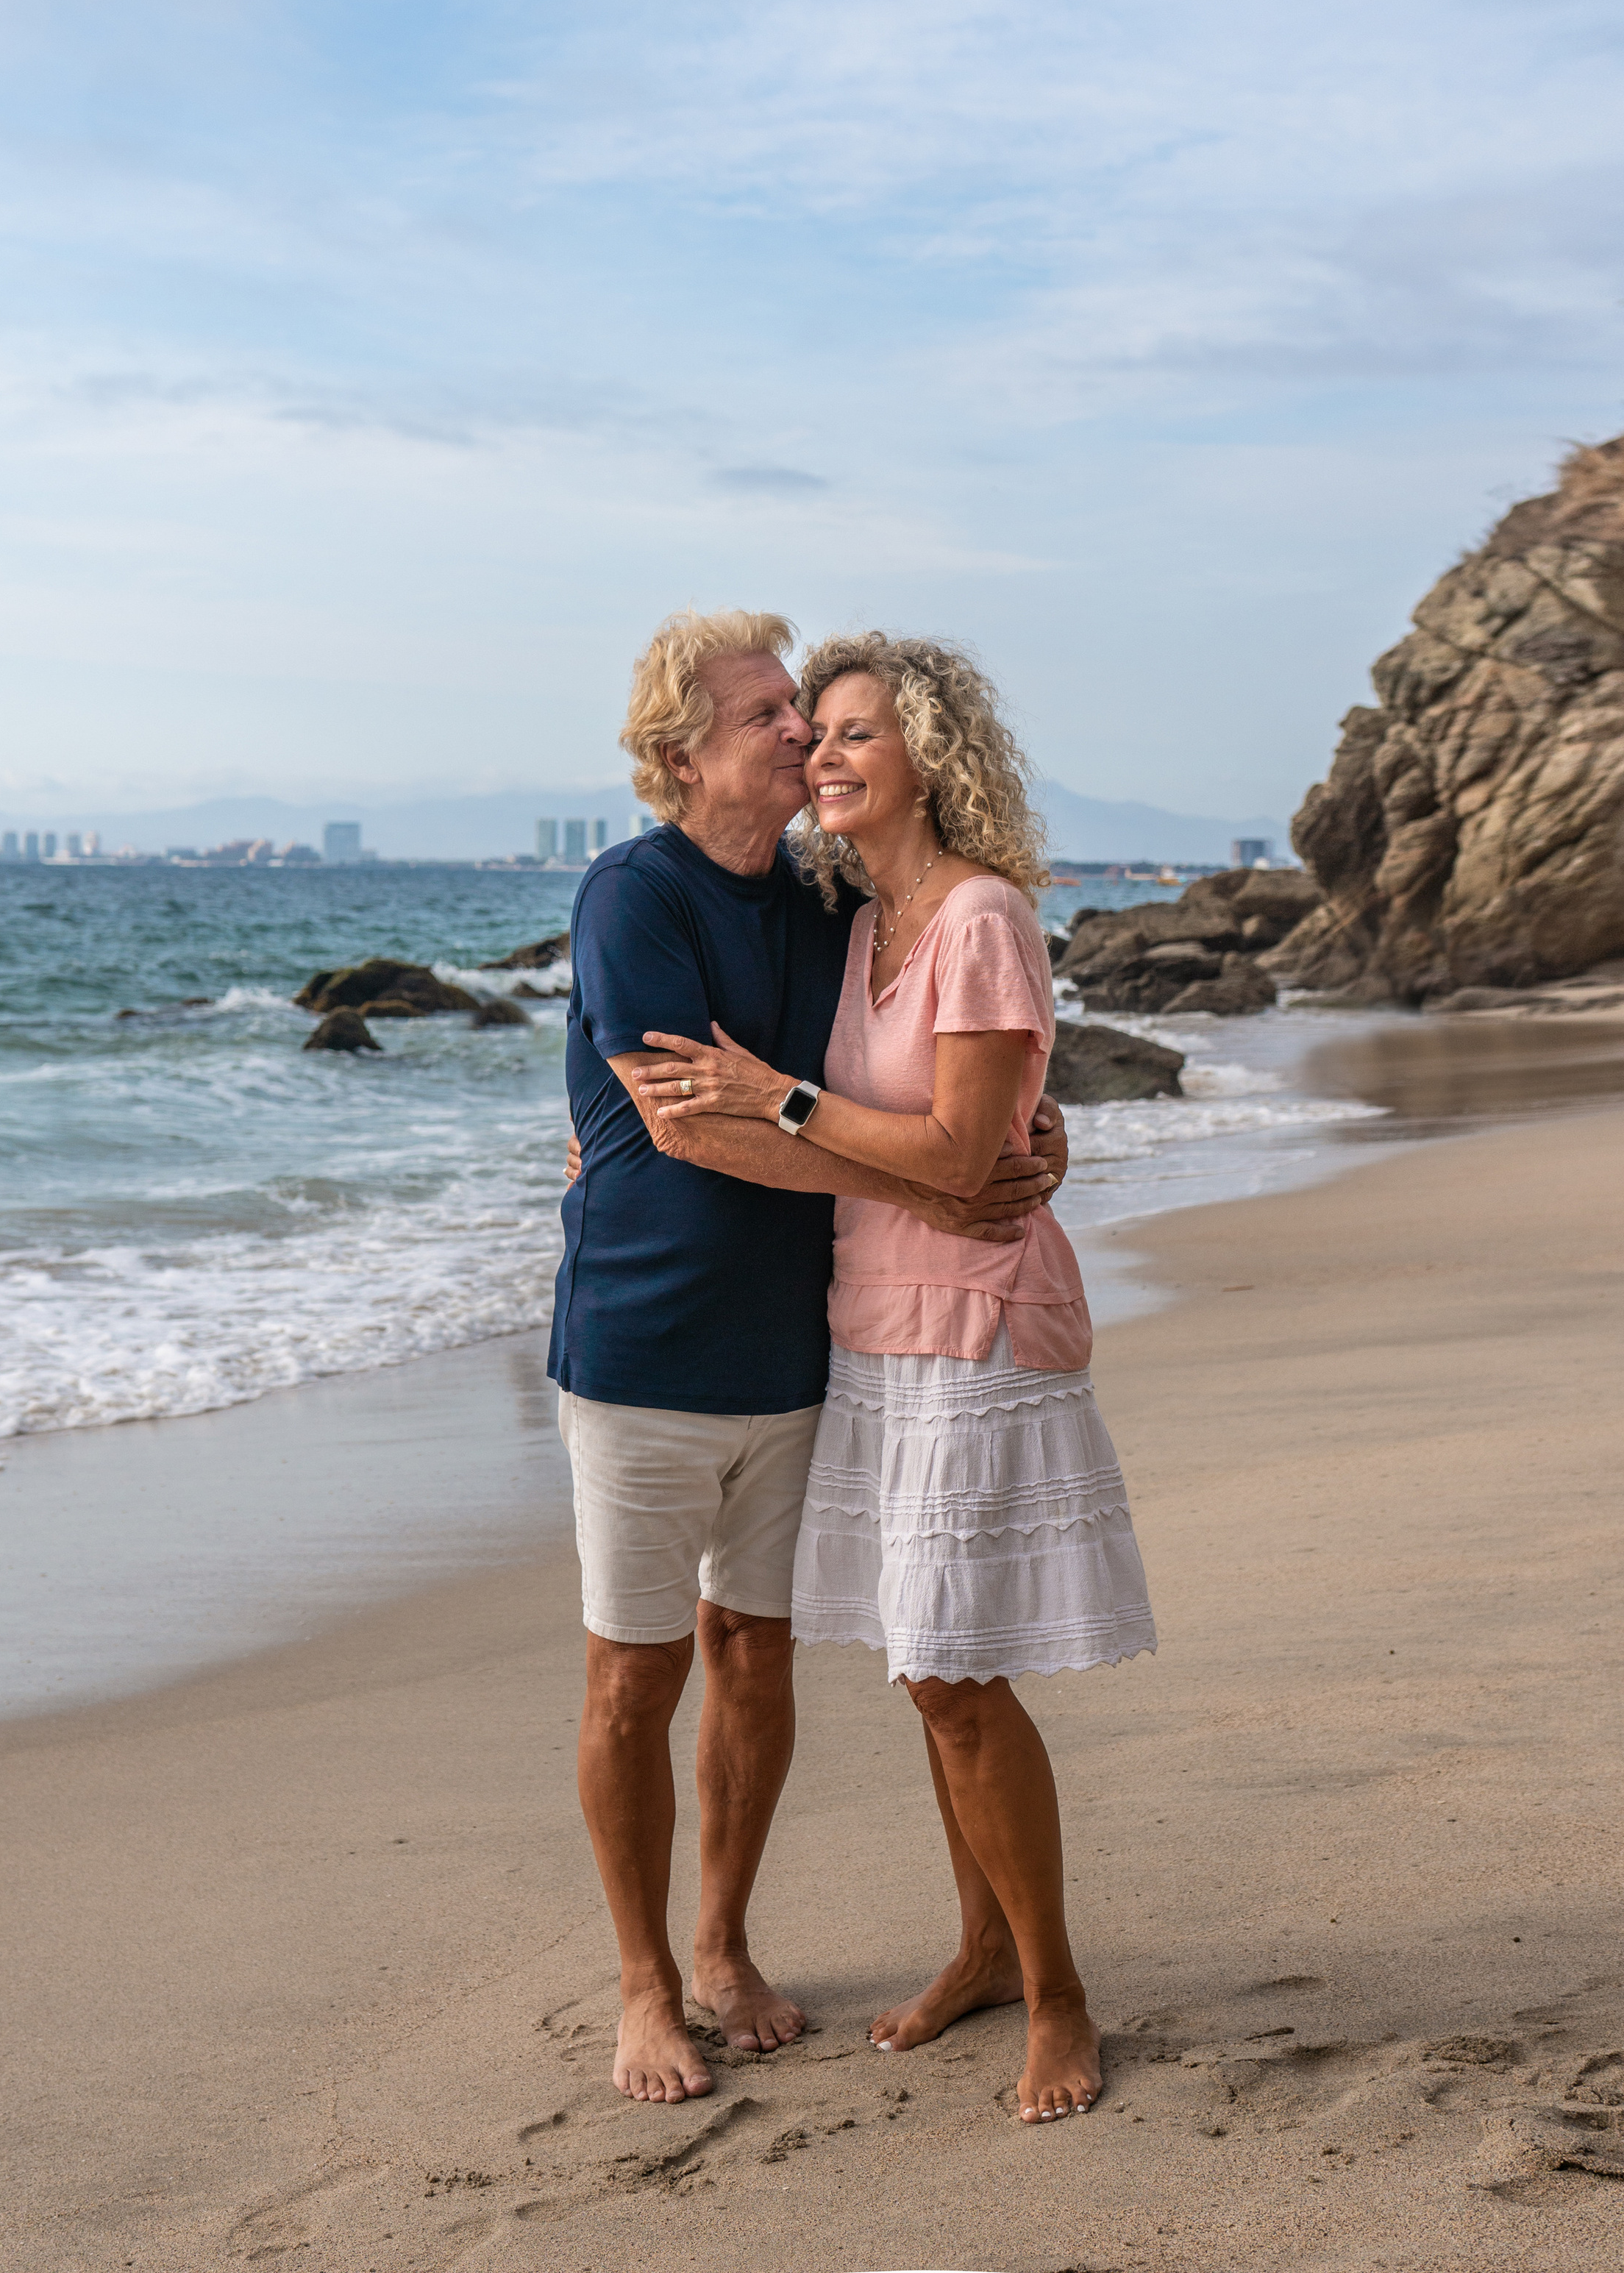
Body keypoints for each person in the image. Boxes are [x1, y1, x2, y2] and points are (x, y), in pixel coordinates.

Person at [632, 630, 1156, 2127]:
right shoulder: (856, 922)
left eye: (859, 730)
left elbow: (956, 1154)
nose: (824, 751)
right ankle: (987, 1947)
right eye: (816, 730)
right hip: (873, 1317)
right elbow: (931, 1140)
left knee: (952, 1673)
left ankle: (1056, 1990)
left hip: (975, 1321)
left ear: (931, 755)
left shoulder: (979, 916)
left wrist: (774, 1093)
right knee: (935, 1671)